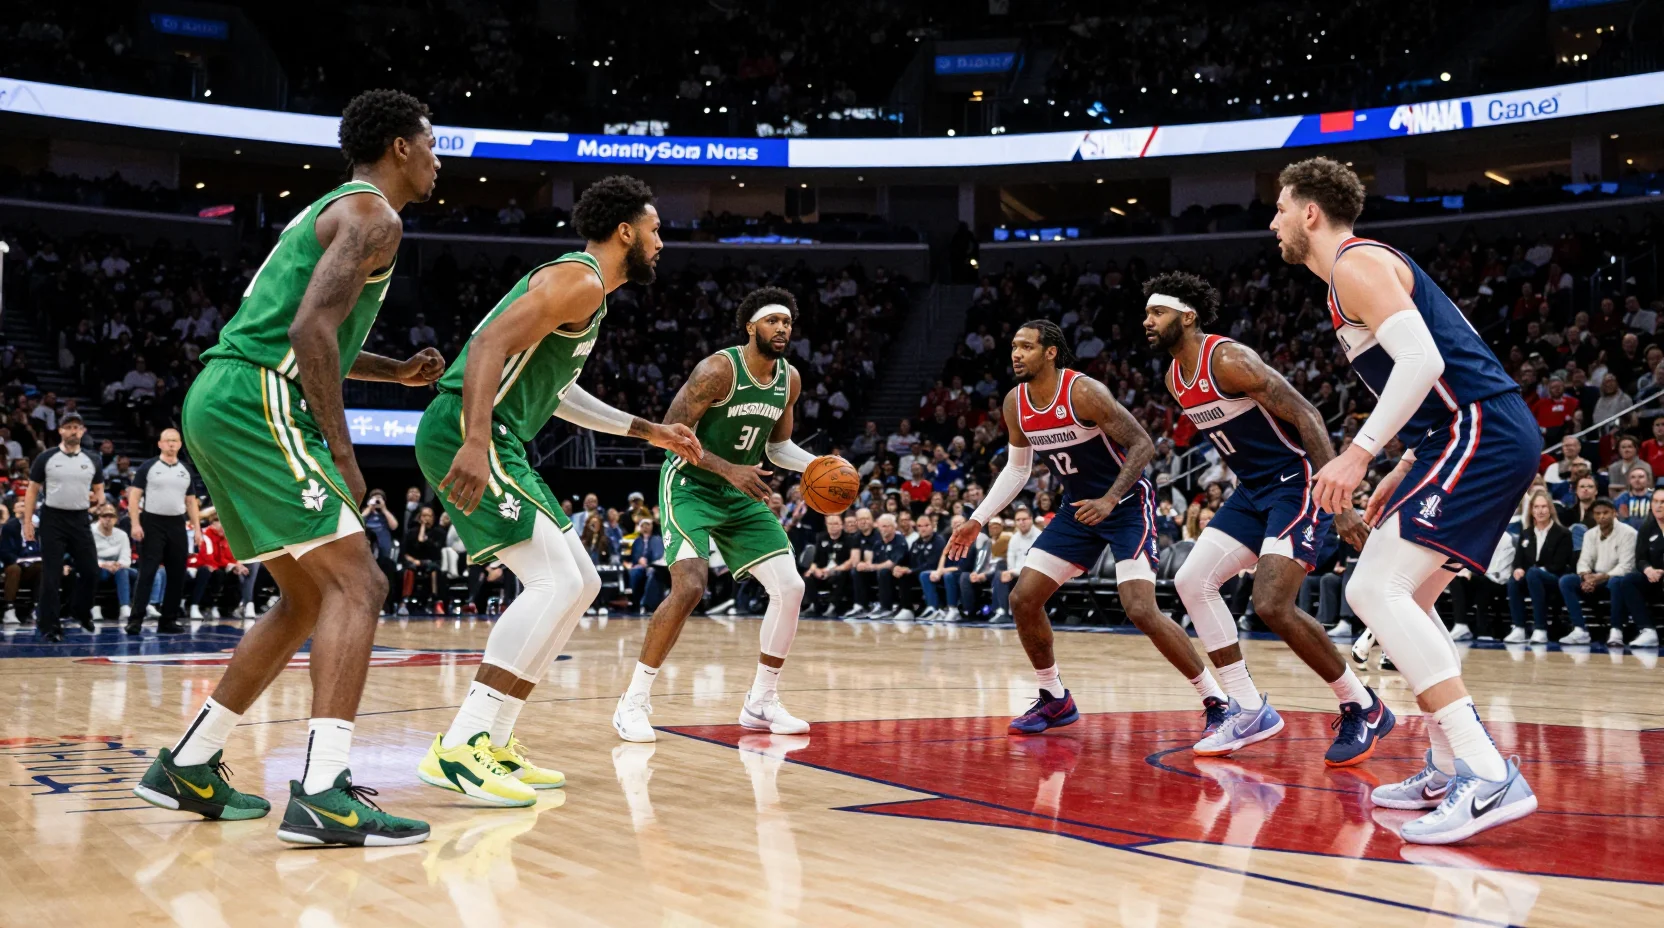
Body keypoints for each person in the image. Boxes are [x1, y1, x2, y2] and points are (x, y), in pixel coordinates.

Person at [133, 90, 444, 845]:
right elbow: (307, 331)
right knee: (359, 581)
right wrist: (342, 449)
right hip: (253, 398)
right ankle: (325, 794)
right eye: (432, 144)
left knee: (307, 599)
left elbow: (311, 330)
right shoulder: (377, 216)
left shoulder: (338, 210)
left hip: (225, 393)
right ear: (400, 147)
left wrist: (394, 370)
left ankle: (189, 762)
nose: (439, 160)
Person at [1278, 155, 1539, 843]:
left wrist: (1361, 452)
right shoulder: (1357, 272)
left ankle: (1486, 772)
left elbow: (1428, 363)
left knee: (1374, 589)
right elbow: (1439, 368)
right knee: (1411, 601)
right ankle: (1451, 765)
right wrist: (1411, 458)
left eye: (1280, 208)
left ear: (1310, 213)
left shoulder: (1354, 264)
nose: (1273, 223)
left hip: (1479, 429)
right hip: (1471, 433)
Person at [416, 175, 699, 803]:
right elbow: (486, 343)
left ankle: (494, 740)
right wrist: (473, 438)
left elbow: (559, 394)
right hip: (470, 428)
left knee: (583, 582)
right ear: (625, 231)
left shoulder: (591, 295)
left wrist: (649, 430)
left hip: (497, 436)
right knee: (556, 581)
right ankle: (461, 745)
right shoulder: (580, 278)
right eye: (655, 230)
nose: (661, 242)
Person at [1146, 270, 1383, 765]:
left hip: (1295, 484)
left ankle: (1361, 703)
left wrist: (1337, 500)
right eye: (1147, 313)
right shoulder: (1173, 377)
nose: (1147, 321)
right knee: (1191, 580)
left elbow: (1307, 416)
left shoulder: (1228, 359)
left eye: (1157, 312)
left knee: (1272, 604)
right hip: (1252, 491)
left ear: (1187, 317)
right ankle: (1250, 708)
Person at [946, 321, 1226, 738]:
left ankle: (1217, 700)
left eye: (1026, 346)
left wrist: (1111, 497)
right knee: (1023, 598)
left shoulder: (1083, 392)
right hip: (1076, 511)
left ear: (1051, 352)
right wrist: (977, 519)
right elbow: (1017, 470)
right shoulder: (1015, 403)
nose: (1016, 354)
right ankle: (1054, 697)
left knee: (1140, 608)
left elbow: (1143, 444)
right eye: (1013, 347)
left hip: (1127, 505)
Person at [614, 286, 824, 742]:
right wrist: (729, 469)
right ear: (752, 327)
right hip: (690, 486)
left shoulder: (789, 379)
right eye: (773, 321)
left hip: (739, 490)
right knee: (690, 587)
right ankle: (632, 702)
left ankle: (761, 702)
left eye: (788, 322)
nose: (782, 328)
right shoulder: (717, 370)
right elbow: (670, 435)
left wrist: (819, 465)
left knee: (791, 586)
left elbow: (778, 447)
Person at [21, 412, 103, 640]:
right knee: (51, 574)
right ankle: (50, 626)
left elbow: (99, 489)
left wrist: (98, 501)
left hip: (80, 518)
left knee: (91, 571)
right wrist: (27, 522)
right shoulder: (46, 457)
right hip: (52, 519)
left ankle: (79, 610)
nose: (73, 431)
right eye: (68, 427)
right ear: (60, 431)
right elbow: (32, 490)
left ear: (83, 431)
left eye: (77, 427)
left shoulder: (93, 459)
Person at [127, 428, 202, 635]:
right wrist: (135, 523)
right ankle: (135, 620)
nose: (171, 444)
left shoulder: (186, 470)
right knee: (148, 572)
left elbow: (190, 502)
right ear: (160, 444)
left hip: (177, 524)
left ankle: (168, 620)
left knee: (177, 574)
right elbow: (134, 496)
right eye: (167, 441)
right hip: (152, 523)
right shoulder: (148, 467)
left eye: (175, 441)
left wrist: (197, 529)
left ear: (179, 444)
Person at [1555, 497, 1634, 646]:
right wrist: (1586, 576)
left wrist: (1599, 578)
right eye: (1598, 513)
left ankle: (1616, 631)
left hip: (1616, 579)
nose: (1602, 516)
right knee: (1567, 581)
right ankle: (1580, 630)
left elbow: (1626, 566)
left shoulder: (1628, 533)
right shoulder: (1589, 534)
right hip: (1595, 579)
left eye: (1606, 513)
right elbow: (1584, 561)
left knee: (1617, 581)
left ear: (1614, 513)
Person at [1504, 491, 1574, 645]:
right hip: (1532, 577)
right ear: (1531, 510)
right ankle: (1519, 628)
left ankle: (1540, 628)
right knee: (1514, 580)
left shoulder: (1563, 533)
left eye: (1544, 507)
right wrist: (1517, 569)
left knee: (1533, 574)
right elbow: (1518, 560)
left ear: (1550, 509)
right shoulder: (1527, 533)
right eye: (1536, 507)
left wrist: (1533, 571)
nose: (1540, 511)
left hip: (1554, 578)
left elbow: (1560, 564)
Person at [1608, 487, 1664, 648]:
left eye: (1663, 502)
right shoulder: (1647, 528)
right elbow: (1640, 558)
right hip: (1653, 579)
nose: (1658, 506)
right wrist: (1648, 570)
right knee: (1628, 581)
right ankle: (1647, 630)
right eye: (1655, 502)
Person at [994, 507, 1040, 623]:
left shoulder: (1040, 537)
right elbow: (1010, 563)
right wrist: (1010, 572)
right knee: (1000, 572)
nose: (1021, 522)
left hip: (1036, 575)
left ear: (1031, 519)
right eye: (1018, 520)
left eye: (1024, 519)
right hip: (1017, 574)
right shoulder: (1014, 538)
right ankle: (1003, 612)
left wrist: (1013, 572)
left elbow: (1035, 566)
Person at [91, 504, 137, 621]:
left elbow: (126, 556)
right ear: (99, 518)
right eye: (105, 516)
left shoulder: (122, 535)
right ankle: (94, 607)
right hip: (98, 567)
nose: (108, 519)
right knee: (92, 571)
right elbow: (89, 556)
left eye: (111, 516)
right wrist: (103, 564)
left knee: (134, 573)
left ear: (116, 519)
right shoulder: (90, 533)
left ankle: (126, 607)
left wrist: (118, 564)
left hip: (118, 568)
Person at [804, 512, 854, 616]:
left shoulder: (849, 539)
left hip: (839, 571)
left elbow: (851, 561)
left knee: (842, 575)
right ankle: (815, 605)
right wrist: (814, 570)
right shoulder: (821, 537)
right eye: (830, 524)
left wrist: (834, 570)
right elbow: (815, 560)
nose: (833, 526)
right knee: (808, 576)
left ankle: (833, 606)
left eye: (836, 523)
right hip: (823, 572)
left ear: (841, 525)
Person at [2, 500, 42, 624]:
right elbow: (4, 551)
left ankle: (37, 607)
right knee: (14, 569)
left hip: (33, 564)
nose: (22, 509)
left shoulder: (39, 526)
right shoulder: (10, 527)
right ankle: (9, 609)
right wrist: (18, 560)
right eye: (19, 506)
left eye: (25, 506)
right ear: (14, 511)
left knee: (43, 567)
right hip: (15, 564)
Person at [399, 506, 444, 614]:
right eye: (424, 515)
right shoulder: (411, 532)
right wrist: (414, 561)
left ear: (433, 518)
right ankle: (404, 602)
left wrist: (425, 538)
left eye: (429, 516)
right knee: (409, 568)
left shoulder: (439, 533)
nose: (426, 518)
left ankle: (434, 601)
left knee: (434, 569)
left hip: (431, 562)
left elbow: (436, 552)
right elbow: (404, 552)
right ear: (419, 518)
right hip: (413, 562)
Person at [840, 508, 878, 618]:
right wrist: (859, 564)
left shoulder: (878, 535)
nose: (863, 521)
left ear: (872, 520)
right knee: (855, 571)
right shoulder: (856, 537)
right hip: (866, 570)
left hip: (879, 567)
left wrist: (868, 564)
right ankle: (860, 606)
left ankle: (877, 605)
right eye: (860, 519)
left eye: (866, 518)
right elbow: (855, 558)